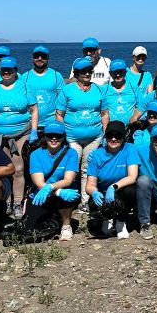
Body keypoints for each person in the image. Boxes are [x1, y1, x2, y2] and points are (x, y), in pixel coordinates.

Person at [0, 56, 38, 216]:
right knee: (4, 169)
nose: (6, 72)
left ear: (15, 71)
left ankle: (18, 203)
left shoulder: (25, 87)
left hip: (21, 134)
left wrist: (33, 131)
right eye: (3, 70)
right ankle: (5, 203)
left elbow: (34, 110)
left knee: (18, 169)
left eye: (9, 70)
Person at [55, 57, 107, 206]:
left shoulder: (99, 89)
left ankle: (85, 201)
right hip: (72, 137)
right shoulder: (67, 90)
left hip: (95, 137)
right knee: (71, 168)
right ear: (77, 73)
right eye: (83, 71)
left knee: (87, 169)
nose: (87, 74)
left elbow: (104, 114)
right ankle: (69, 198)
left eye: (89, 71)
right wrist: (62, 134)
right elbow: (59, 114)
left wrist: (105, 133)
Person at [23, 121, 81, 241]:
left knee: (67, 194)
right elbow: (39, 183)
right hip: (41, 193)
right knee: (31, 231)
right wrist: (56, 191)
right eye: (50, 135)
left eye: (58, 136)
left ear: (63, 137)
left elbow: (68, 180)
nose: (54, 139)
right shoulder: (36, 154)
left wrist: (53, 189)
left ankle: (66, 225)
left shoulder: (71, 153)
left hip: (62, 191)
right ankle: (54, 217)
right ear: (45, 136)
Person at [86, 121, 140, 239]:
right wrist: (94, 192)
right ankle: (107, 219)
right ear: (106, 137)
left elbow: (132, 176)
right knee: (93, 203)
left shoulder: (129, 149)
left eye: (118, 136)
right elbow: (90, 185)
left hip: (120, 189)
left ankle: (121, 221)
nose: (114, 139)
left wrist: (113, 187)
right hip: (103, 192)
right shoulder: (96, 155)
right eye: (110, 135)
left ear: (123, 137)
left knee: (130, 192)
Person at [21, 45, 66, 133]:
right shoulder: (24, 77)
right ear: (32, 58)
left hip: (51, 124)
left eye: (43, 56)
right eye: (37, 56)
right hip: (29, 125)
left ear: (48, 59)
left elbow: (63, 100)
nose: (40, 58)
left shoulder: (56, 76)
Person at [102, 60, 141, 126]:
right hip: (112, 131)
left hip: (130, 128)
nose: (118, 75)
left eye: (120, 72)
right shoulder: (104, 89)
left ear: (125, 72)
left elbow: (140, 106)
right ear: (110, 73)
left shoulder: (133, 87)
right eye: (115, 72)